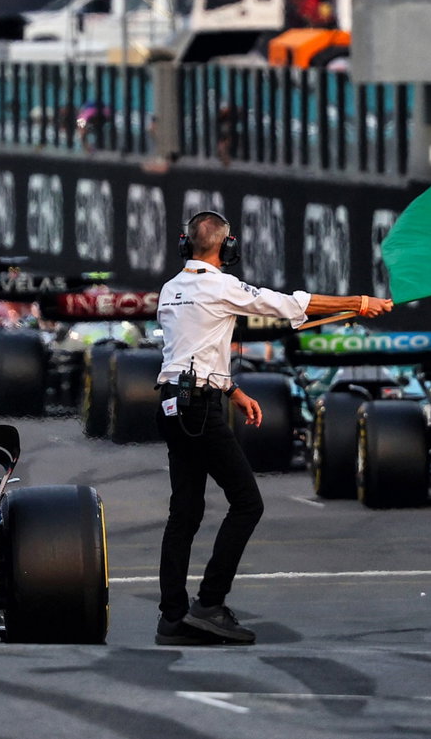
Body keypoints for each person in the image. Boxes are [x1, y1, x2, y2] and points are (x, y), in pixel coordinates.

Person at [153, 210, 393, 647]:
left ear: (185, 245)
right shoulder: (221, 285)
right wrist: (358, 302)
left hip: (173, 402)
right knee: (247, 503)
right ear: (228, 249)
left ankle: (172, 619)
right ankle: (209, 604)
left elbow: (191, 351)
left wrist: (233, 391)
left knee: (184, 513)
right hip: (197, 407)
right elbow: (290, 305)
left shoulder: (171, 289)